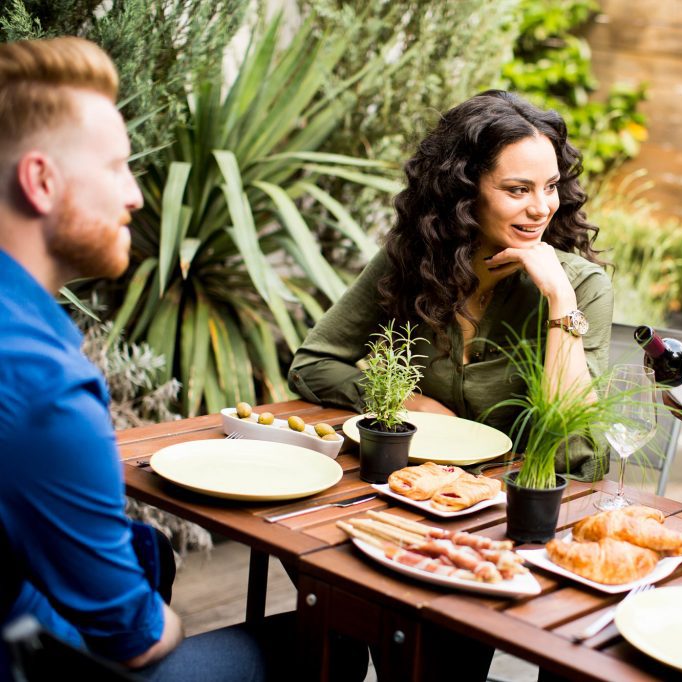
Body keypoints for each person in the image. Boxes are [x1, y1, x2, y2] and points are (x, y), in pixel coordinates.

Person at [0, 37, 281, 681]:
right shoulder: (40, 379)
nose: (135, 195)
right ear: (41, 181)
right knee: (314, 649)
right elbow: (134, 636)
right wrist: (162, 616)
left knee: (149, 549)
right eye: (117, 167)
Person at [289, 89, 613, 480]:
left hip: (520, 502)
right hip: (412, 484)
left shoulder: (582, 287)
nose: (542, 207)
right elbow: (312, 366)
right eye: (517, 189)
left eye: (550, 186)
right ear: (463, 190)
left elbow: (574, 451)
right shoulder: (414, 258)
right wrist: (409, 403)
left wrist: (560, 301)